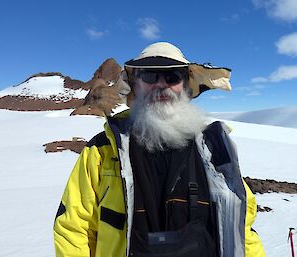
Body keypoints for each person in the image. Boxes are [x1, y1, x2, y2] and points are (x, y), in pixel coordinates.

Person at [53, 42, 265, 257]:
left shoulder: (215, 150)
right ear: (135, 85)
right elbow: (73, 227)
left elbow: (242, 228)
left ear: (185, 86)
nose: (161, 84)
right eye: (150, 76)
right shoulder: (102, 151)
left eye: (172, 76)